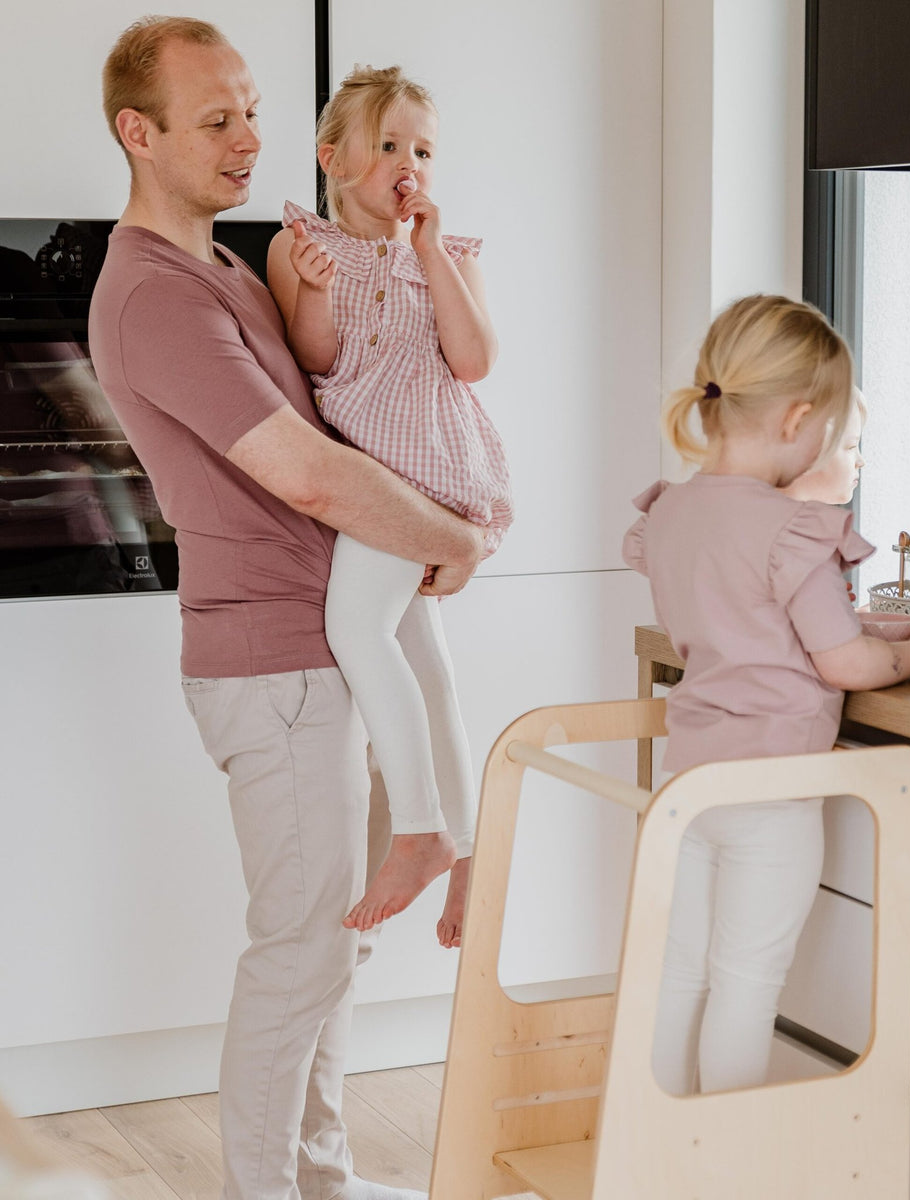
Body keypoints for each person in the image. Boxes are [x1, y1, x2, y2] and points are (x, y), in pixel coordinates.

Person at [88, 16, 482, 1200]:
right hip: (274, 668)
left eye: (254, 110)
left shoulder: (225, 267)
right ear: (137, 134)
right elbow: (308, 471)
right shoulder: (156, 296)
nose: (251, 139)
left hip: (324, 653)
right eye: (216, 121)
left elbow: (355, 401)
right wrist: (454, 535)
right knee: (297, 956)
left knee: (333, 952)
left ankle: (322, 1179)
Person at [622, 294, 910, 1096]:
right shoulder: (792, 530)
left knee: (680, 979)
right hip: (772, 794)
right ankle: (730, 1172)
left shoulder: (674, 512)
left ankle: (660, 1163)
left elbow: (753, 624)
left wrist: (870, 630)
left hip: (689, 785)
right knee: (746, 989)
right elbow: (842, 662)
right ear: (798, 421)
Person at [266, 65, 511, 941]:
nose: (410, 163)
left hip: (426, 472)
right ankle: (471, 853)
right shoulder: (303, 244)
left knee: (356, 632)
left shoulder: (448, 254)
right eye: (389, 145)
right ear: (332, 157)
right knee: (426, 665)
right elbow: (317, 360)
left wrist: (432, 250)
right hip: (368, 471)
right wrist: (316, 285)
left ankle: (419, 831)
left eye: (424, 149)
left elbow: (474, 359)